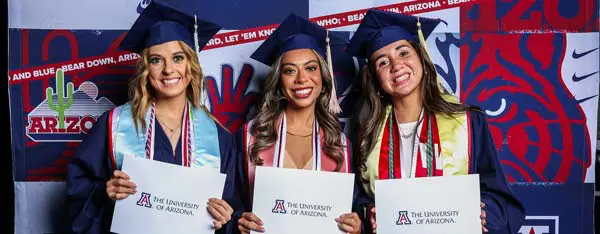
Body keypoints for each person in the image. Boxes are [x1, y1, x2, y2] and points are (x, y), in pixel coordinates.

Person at [65, 1, 242, 233]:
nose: (168, 70)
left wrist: (227, 217)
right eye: (157, 60)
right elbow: (77, 190)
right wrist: (104, 193)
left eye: (178, 58)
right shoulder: (114, 125)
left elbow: (234, 208)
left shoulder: (219, 138)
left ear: (191, 64)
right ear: (146, 70)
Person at [346, 9, 525, 234]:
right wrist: (368, 214)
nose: (396, 65)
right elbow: (359, 201)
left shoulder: (468, 122)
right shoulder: (367, 133)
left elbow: (499, 198)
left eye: (403, 53)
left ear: (421, 57)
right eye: (382, 62)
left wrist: (482, 214)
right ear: (374, 76)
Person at [235, 14, 361, 234]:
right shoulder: (250, 136)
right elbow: (230, 202)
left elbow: (352, 209)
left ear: (323, 79)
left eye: (311, 68)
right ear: (278, 82)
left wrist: (357, 226)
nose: (302, 79)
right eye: (290, 70)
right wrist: (239, 221)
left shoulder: (340, 144)